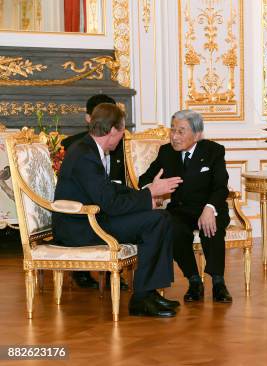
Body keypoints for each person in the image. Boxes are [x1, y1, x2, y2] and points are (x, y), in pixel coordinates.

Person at [52, 103, 184, 317]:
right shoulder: (85, 154)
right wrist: (149, 196)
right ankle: (143, 298)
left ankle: (148, 294)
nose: (122, 136)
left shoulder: (88, 148)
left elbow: (110, 190)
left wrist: (147, 191)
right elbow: (110, 203)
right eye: (122, 132)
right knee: (157, 220)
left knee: (159, 218)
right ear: (113, 130)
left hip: (93, 219)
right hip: (81, 227)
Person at [139, 110, 233, 303]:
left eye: (181, 131)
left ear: (197, 134)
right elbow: (145, 179)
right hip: (181, 209)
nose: (174, 136)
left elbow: (220, 186)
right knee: (171, 228)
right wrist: (152, 189)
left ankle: (218, 282)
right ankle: (194, 280)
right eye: (172, 130)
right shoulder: (166, 152)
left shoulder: (213, 151)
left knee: (211, 226)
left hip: (209, 206)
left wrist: (209, 208)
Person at [61, 94, 127, 289]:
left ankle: (115, 273)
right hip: (85, 214)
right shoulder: (78, 149)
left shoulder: (120, 144)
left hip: (107, 201)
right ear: (89, 118)